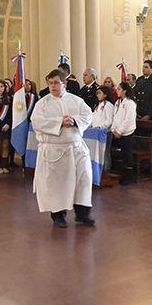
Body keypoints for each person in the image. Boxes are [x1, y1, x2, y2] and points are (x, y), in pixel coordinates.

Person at [31, 69, 95, 227]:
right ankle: (58, 215)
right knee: (57, 184)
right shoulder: (42, 103)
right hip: (55, 151)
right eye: (50, 83)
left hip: (76, 148)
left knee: (83, 179)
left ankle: (82, 214)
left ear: (64, 84)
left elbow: (88, 115)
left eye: (56, 83)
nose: (52, 86)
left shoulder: (76, 100)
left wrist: (74, 120)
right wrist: (59, 121)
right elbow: (36, 122)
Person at [112, 81, 137, 185]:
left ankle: (129, 177)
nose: (117, 91)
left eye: (119, 89)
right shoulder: (118, 102)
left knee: (127, 155)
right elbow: (115, 117)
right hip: (118, 132)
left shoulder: (130, 103)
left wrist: (120, 131)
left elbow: (128, 119)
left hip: (126, 133)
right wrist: (114, 129)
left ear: (125, 91)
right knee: (122, 154)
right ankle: (122, 175)